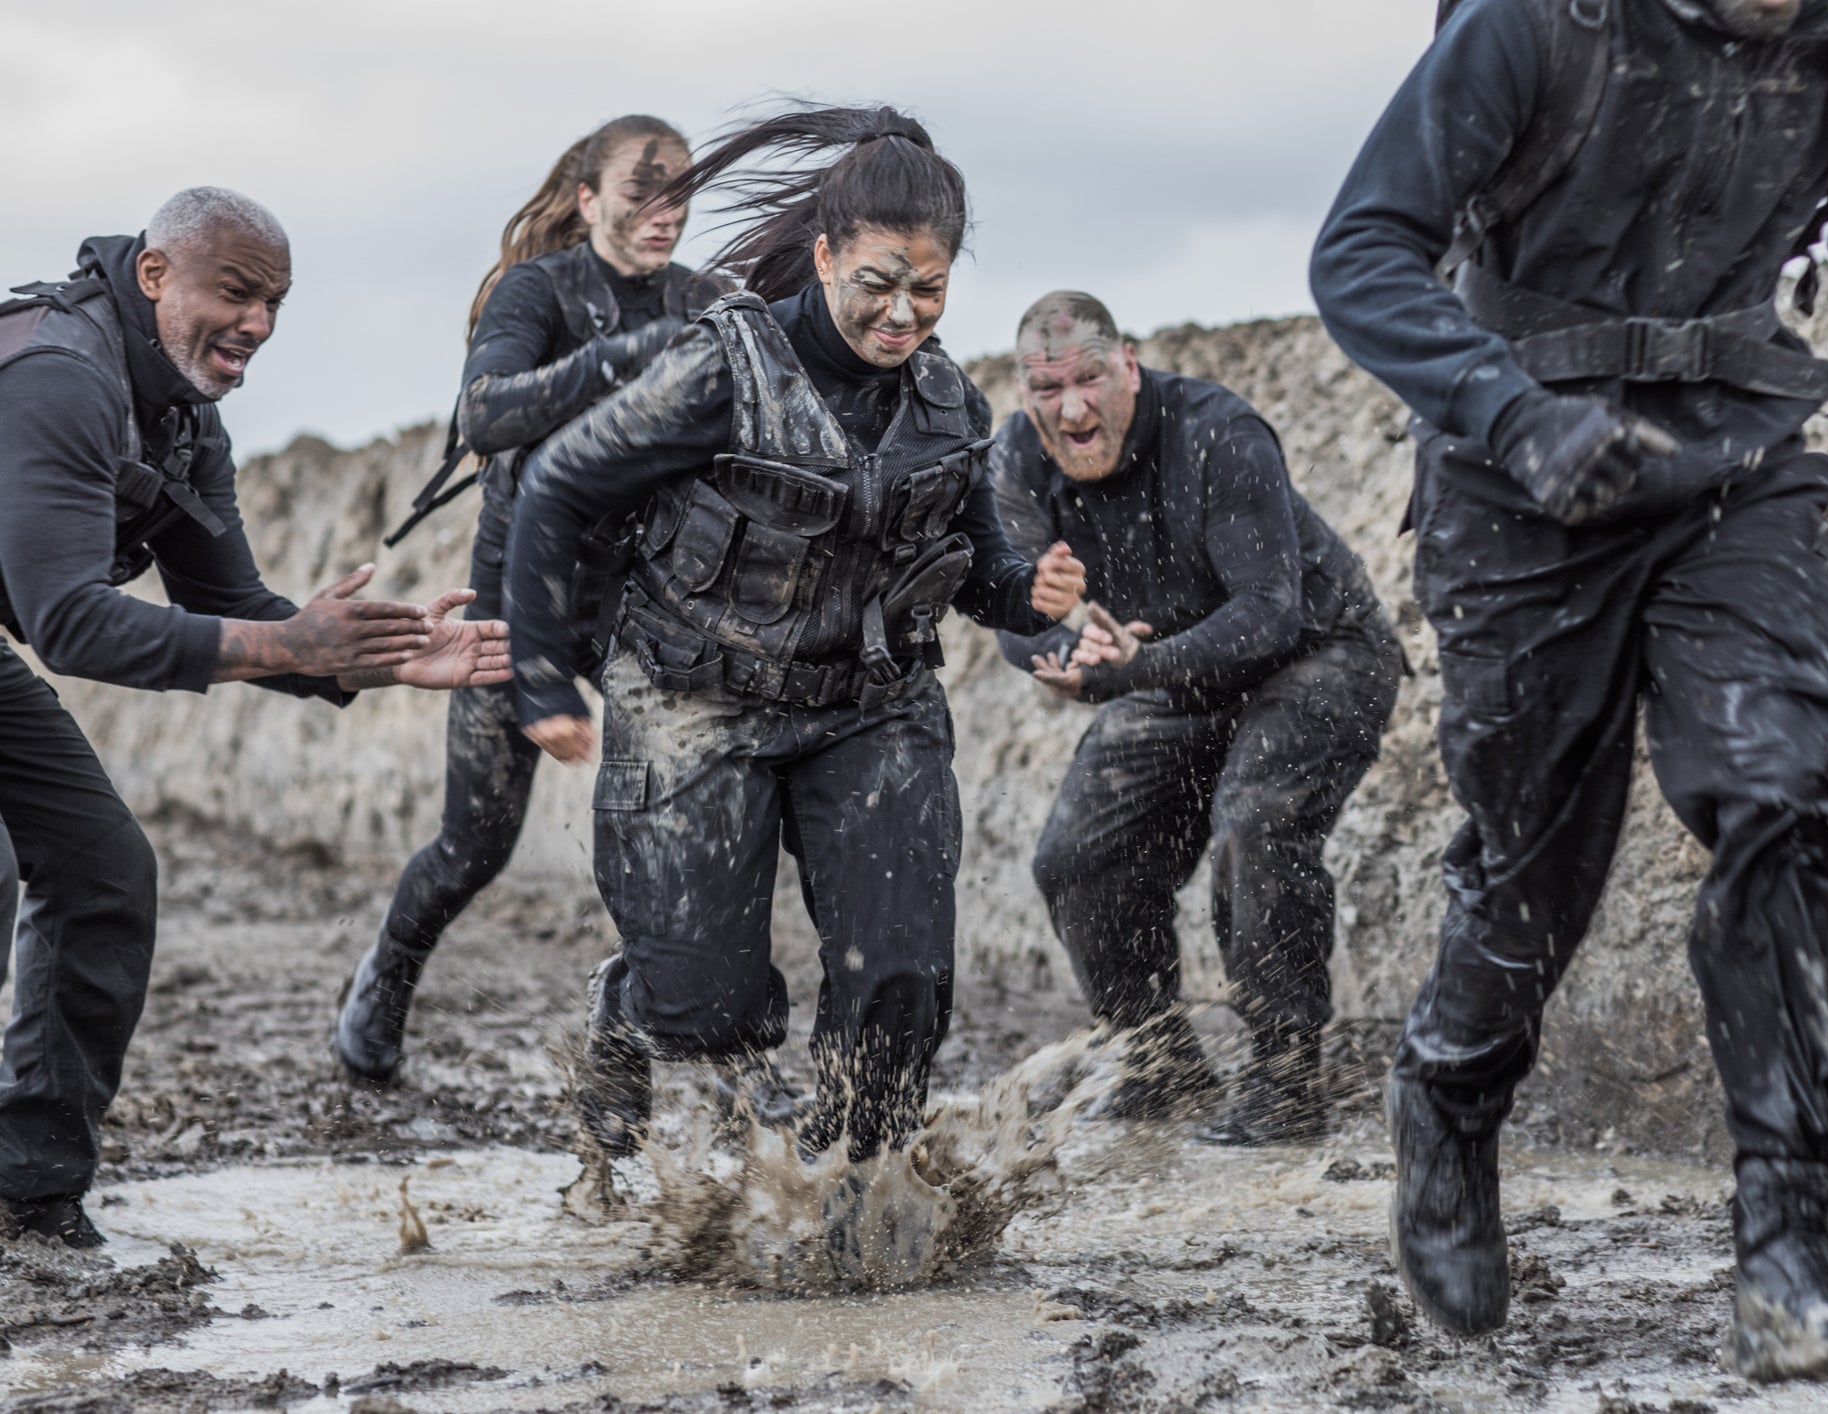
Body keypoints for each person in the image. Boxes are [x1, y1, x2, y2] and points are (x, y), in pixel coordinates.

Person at [1311, 0, 1828, 1379]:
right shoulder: (1531, 26)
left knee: (1793, 785)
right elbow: (1360, 250)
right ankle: (1449, 1092)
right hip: (1519, 472)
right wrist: (1509, 411)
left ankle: (1789, 1255)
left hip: (1737, 462)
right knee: (1535, 861)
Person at [504, 104, 1087, 1164]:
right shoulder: (720, 370)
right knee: (708, 1010)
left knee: (900, 980)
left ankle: (848, 1190)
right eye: (876, 282)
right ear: (823, 256)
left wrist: (1031, 599)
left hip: (871, 709)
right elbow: (556, 485)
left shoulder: (950, 406)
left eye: (930, 288)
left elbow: (980, 569)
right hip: (695, 694)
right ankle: (631, 1002)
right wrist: (543, 677)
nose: (902, 313)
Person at [0, 188, 511, 1247]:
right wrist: (287, 645)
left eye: (275, 302)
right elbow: (70, 624)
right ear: (154, 277)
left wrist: (379, 656)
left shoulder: (186, 423)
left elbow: (232, 608)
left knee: (103, 870)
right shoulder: (61, 377)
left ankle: (28, 1193)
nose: (258, 325)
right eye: (235, 293)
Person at [333, 115, 727, 1087]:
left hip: (652, 603)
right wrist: (620, 362)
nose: (664, 212)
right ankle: (385, 979)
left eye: (681, 193)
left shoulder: (706, 298)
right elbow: (486, 411)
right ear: (588, 199)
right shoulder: (537, 290)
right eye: (642, 191)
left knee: (666, 838)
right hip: (523, 594)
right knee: (474, 844)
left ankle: (660, 1039)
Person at [993, 292, 1401, 1144]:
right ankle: (1156, 1059)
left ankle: (1286, 1078)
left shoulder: (1218, 431)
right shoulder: (1018, 460)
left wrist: (1137, 668)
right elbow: (1011, 611)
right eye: (1046, 389)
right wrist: (1064, 659)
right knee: (1076, 859)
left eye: (1089, 379)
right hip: (1177, 673)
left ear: (1127, 366)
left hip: (1319, 653)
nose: (1072, 407)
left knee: (1256, 821)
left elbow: (1267, 613)